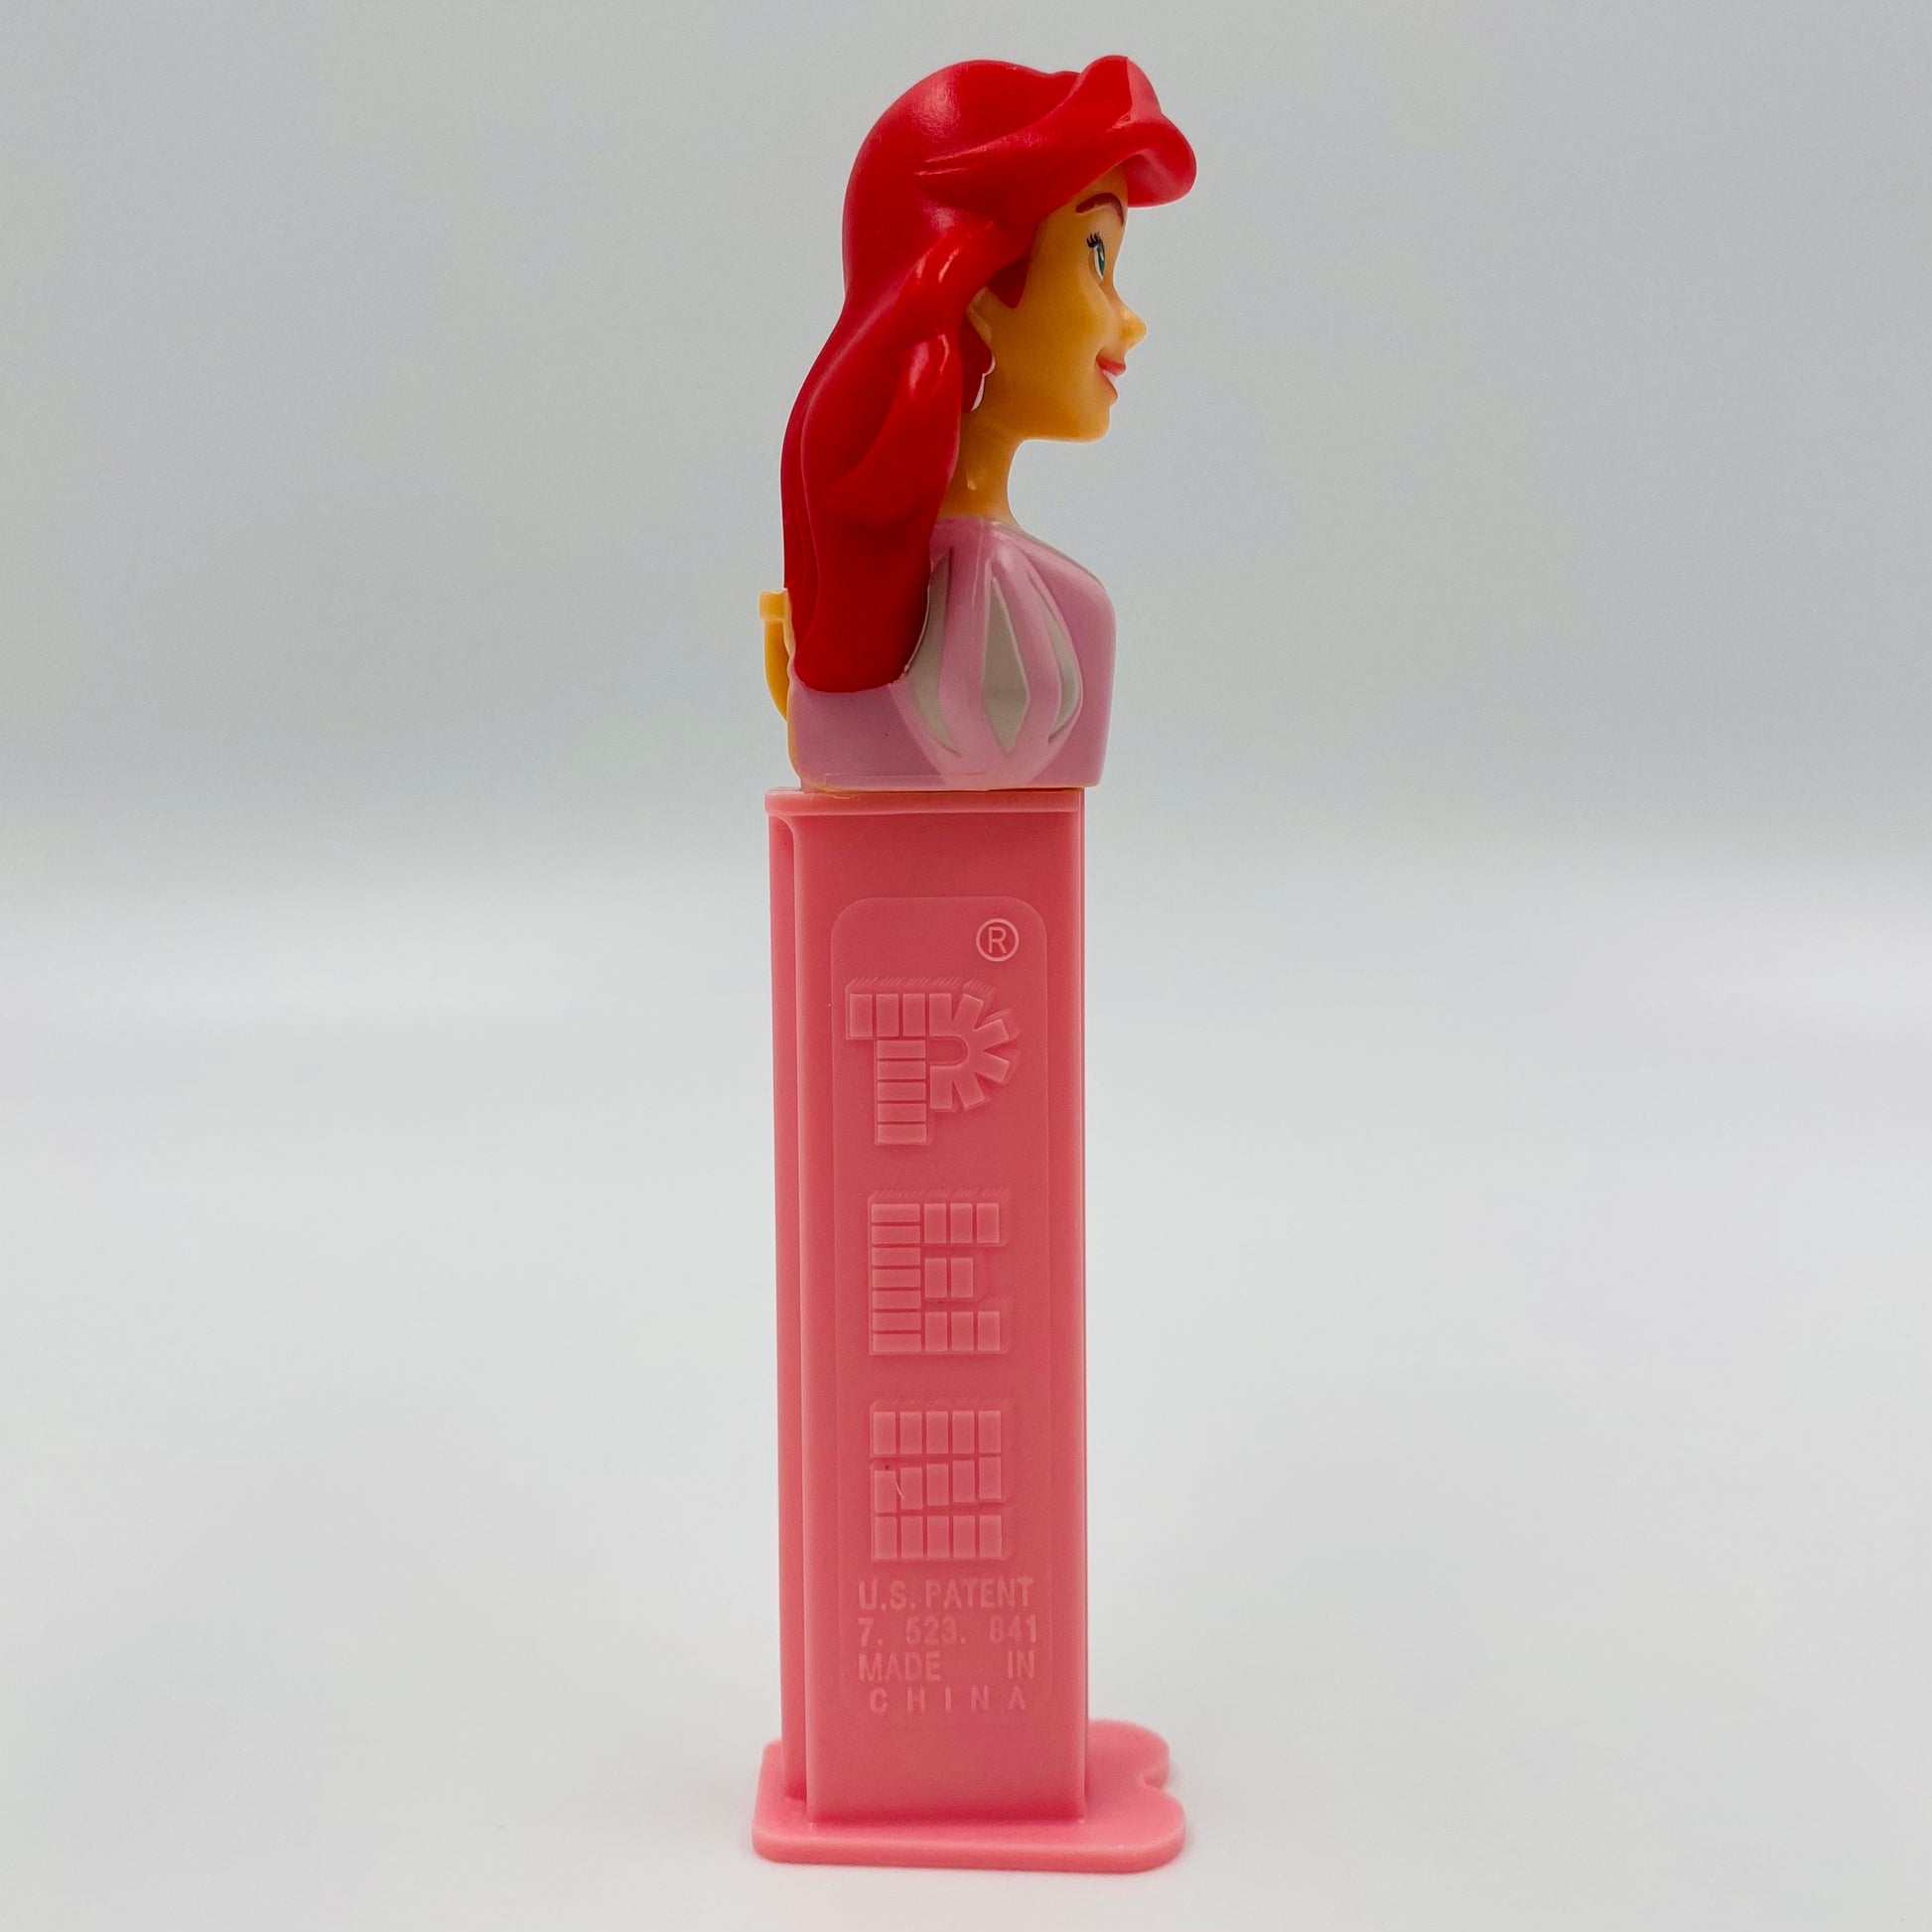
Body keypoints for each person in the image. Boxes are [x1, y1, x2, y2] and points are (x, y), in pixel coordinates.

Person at [762, 57, 1196, 789]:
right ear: (984, 293)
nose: (1131, 320)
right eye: (1096, 257)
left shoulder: (838, 613)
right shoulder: (1060, 612)